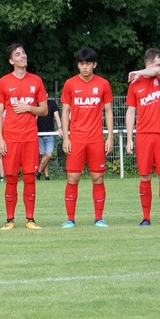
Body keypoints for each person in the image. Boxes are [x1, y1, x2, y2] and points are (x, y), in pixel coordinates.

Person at [0, 43, 48, 229]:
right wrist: (0, 139)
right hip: (10, 138)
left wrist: (28, 108)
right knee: (10, 178)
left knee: (30, 177)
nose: (23, 56)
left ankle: (30, 219)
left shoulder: (36, 81)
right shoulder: (3, 82)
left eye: (23, 52)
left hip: (30, 138)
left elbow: (44, 110)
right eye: (18, 54)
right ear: (11, 61)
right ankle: (10, 220)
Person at [60, 47, 113, 228]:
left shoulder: (103, 84)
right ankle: (70, 219)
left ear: (94, 65)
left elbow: (108, 111)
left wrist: (110, 137)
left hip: (96, 139)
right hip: (76, 139)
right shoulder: (70, 84)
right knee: (72, 178)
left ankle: (99, 218)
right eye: (81, 64)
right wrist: (66, 138)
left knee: (97, 178)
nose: (84, 67)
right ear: (78, 65)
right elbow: (65, 110)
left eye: (88, 64)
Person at [125, 48, 160, 226]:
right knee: (144, 176)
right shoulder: (134, 85)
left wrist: (138, 72)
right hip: (144, 135)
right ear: (148, 63)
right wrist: (129, 138)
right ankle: (146, 217)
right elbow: (131, 112)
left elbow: (158, 72)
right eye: (158, 63)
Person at [36, 92, 61, 180]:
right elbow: (34, 118)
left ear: (47, 95)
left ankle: (38, 172)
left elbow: (57, 116)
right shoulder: (36, 104)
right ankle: (46, 176)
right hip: (39, 134)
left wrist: (60, 128)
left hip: (50, 134)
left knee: (48, 155)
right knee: (44, 156)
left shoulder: (52, 103)